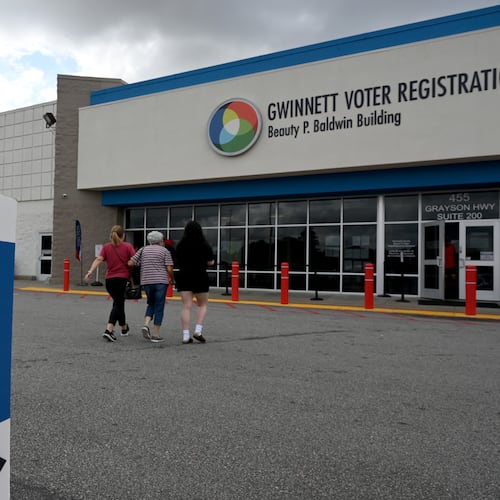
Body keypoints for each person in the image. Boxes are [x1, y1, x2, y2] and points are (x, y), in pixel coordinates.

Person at [85, 225, 135, 342]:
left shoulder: (106, 247)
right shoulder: (128, 246)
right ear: (123, 235)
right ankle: (109, 329)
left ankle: (124, 328)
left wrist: (90, 271)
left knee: (119, 302)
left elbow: (98, 259)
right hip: (122, 279)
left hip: (110, 280)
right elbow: (133, 261)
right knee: (118, 303)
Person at [129, 231, 175, 343]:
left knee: (151, 303)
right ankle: (155, 334)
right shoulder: (165, 251)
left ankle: (146, 324)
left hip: (147, 281)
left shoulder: (143, 250)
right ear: (160, 241)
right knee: (159, 306)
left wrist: (141, 265)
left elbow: (131, 263)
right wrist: (172, 279)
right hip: (160, 282)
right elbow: (169, 268)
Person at [175, 221, 215, 344]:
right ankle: (198, 330)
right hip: (200, 276)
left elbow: (177, 259)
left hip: (184, 276)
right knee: (202, 305)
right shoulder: (204, 244)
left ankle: (185, 335)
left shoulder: (181, 244)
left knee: (186, 306)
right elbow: (210, 262)